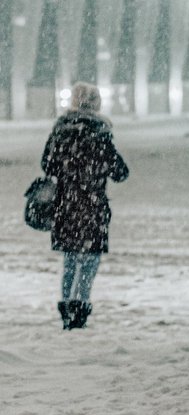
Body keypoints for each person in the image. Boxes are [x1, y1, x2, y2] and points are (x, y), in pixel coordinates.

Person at [41, 81, 129, 330]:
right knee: (90, 259)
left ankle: (67, 307)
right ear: (97, 104)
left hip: (66, 205)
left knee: (70, 259)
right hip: (93, 206)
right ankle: (81, 304)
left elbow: (47, 165)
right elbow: (120, 172)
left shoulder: (60, 131)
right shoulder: (101, 134)